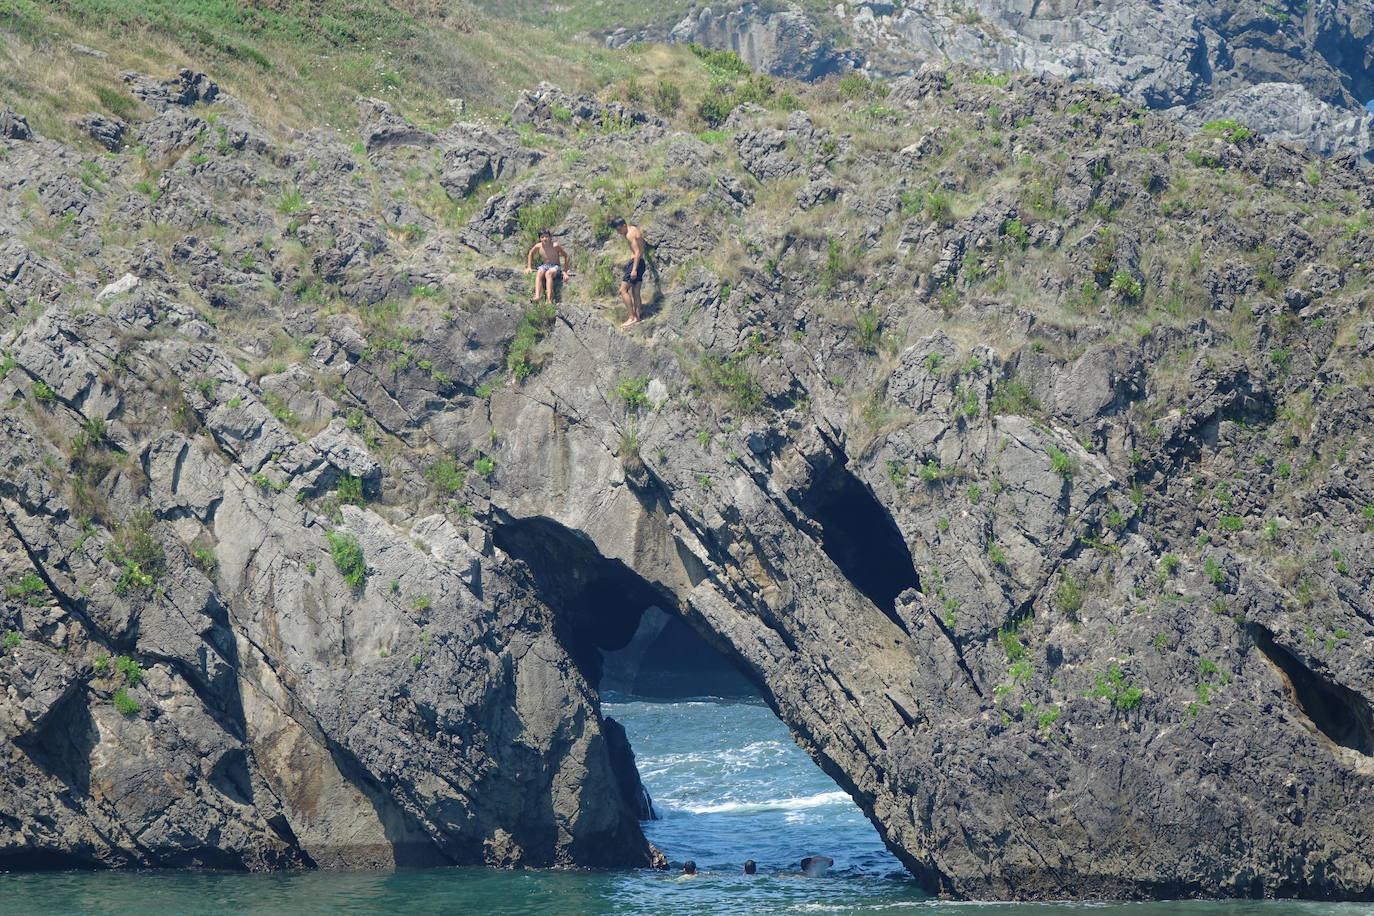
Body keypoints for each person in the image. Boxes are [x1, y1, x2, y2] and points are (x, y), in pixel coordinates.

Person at [609, 217, 647, 327]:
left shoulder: (629, 235)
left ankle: (631, 317)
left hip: (636, 263)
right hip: (642, 263)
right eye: (617, 230)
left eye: (620, 229)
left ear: (624, 225)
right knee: (635, 292)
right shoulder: (634, 229)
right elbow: (642, 242)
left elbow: (637, 252)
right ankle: (638, 317)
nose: (619, 232)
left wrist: (634, 269)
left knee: (623, 290)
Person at [525, 228, 570, 304]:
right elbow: (531, 253)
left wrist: (565, 271)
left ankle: (549, 299)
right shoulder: (538, 246)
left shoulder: (555, 246)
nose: (544, 239)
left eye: (546, 237)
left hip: (555, 267)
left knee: (548, 273)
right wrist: (529, 267)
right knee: (539, 272)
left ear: (550, 237)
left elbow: (566, 256)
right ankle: (537, 296)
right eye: (542, 237)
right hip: (545, 265)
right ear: (540, 238)